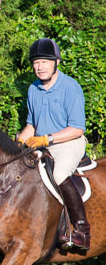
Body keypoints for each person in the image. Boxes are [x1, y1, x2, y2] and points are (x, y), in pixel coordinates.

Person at [16, 38, 89, 250]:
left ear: (56, 62)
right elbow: (31, 124)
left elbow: (77, 128)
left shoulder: (70, 87)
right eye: (36, 63)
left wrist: (46, 139)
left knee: (58, 174)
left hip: (69, 142)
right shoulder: (33, 89)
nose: (39, 67)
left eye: (44, 62)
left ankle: (82, 231)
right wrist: (20, 141)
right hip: (42, 144)